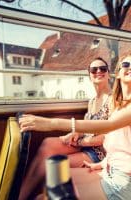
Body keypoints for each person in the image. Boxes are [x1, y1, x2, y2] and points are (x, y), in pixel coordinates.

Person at [19, 54, 131, 200]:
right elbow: (118, 144)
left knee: (50, 196)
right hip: (108, 171)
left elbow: (108, 126)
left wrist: (51, 123)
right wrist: (103, 163)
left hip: (125, 182)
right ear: (118, 75)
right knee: (53, 178)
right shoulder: (119, 106)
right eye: (126, 65)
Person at [18, 57, 111, 200]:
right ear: (89, 75)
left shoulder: (112, 100)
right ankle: (19, 195)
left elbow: (108, 137)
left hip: (99, 154)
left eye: (103, 69)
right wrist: (76, 133)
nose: (98, 71)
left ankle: (24, 196)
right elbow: (89, 126)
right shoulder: (92, 101)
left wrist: (79, 142)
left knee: (54, 166)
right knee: (48, 143)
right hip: (86, 146)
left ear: (108, 74)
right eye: (94, 69)